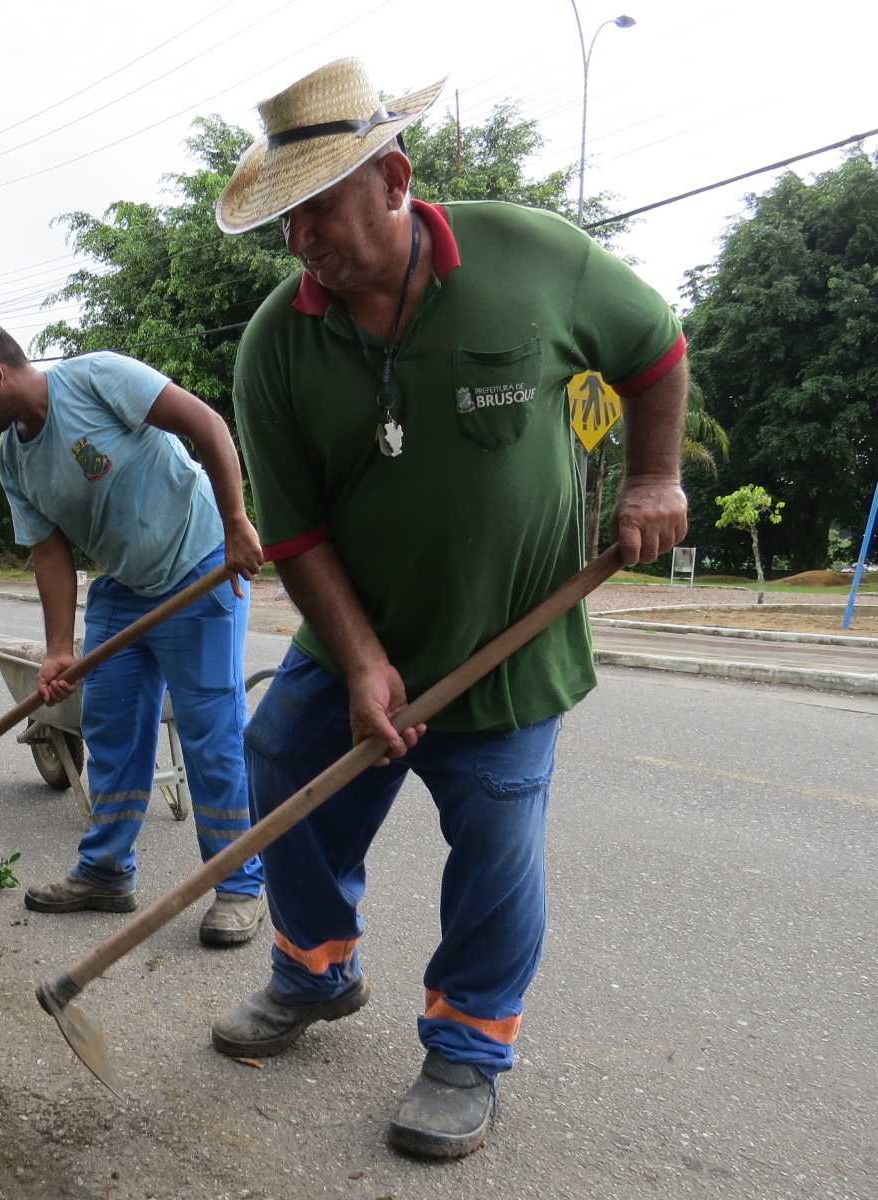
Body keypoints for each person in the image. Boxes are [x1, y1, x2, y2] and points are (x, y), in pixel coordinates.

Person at [212, 58, 689, 1157]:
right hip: (355, 642)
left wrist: (652, 479)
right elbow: (293, 534)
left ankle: (467, 1050)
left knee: (493, 852)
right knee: (280, 764)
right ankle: (314, 970)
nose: (300, 245)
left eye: (316, 210)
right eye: (282, 221)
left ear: (391, 176)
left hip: (506, 651)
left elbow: (654, 349)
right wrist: (364, 663)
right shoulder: (278, 342)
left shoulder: (534, 258)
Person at [0, 320, 269, 946]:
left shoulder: (98, 378)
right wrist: (60, 649)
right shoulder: (12, 459)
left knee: (210, 734)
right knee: (111, 729)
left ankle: (239, 886)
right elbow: (51, 555)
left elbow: (207, 426)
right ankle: (106, 873)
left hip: (199, 563)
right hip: (123, 586)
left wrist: (236, 522)